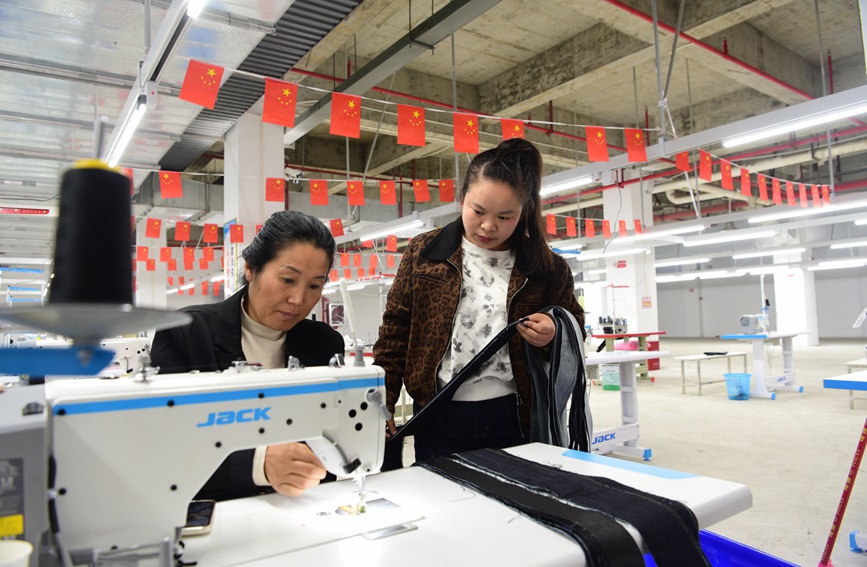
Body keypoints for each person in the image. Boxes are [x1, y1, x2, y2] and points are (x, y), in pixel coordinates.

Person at [373, 138, 585, 464]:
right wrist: (382, 403)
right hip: (439, 411)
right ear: (462, 199)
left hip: (514, 415)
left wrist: (554, 332)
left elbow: (575, 327)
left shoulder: (545, 267)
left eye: (505, 216)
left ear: (524, 212)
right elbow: (394, 334)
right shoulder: (425, 253)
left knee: (513, 505)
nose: (488, 226)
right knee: (441, 501)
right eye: (478, 211)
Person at [150, 210, 345, 501]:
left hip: (304, 505)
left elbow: (336, 431)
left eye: (314, 286)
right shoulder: (187, 333)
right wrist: (258, 464)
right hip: (221, 509)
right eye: (288, 280)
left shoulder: (323, 343)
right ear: (251, 268)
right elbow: (165, 442)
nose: (299, 299)